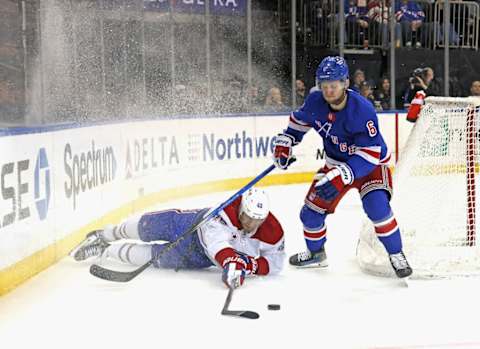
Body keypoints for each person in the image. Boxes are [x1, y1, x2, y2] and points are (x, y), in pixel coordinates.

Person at [272, 56, 412, 278]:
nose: (328, 91)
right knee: (310, 214)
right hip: (336, 165)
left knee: (377, 209)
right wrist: (286, 141)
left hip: (370, 167)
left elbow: (370, 153)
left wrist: (344, 175)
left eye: (333, 86)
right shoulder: (315, 102)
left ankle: (396, 254)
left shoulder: (363, 110)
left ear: (345, 83)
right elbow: (298, 123)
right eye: (324, 85)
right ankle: (316, 254)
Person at [70, 188, 286, 289]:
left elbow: (276, 263)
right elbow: (217, 244)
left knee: (152, 257)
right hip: (192, 224)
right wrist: (231, 262)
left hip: (199, 257)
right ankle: (106, 234)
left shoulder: (273, 231)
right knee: (147, 227)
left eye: (257, 221)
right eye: (247, 218)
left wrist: (250, 265)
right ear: (241, 210)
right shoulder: (224, 213)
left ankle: (104, 250)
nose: (251, 225)